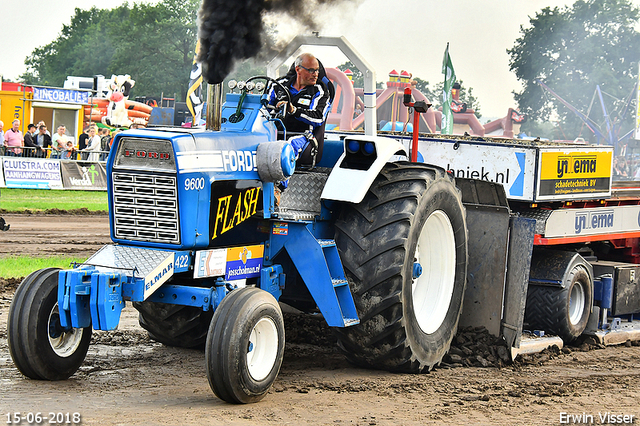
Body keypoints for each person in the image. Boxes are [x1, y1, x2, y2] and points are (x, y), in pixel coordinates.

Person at [267, 52, 334, 166]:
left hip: (304, 136)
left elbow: (318, 118)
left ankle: (280, 182)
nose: (315, 74)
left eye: (317, 70)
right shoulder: (278, 84)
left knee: (286, 147)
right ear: (298, 70)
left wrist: (294, 111)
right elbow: (263, 107)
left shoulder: (320, 90)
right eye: (311, 70)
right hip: (274, 132)